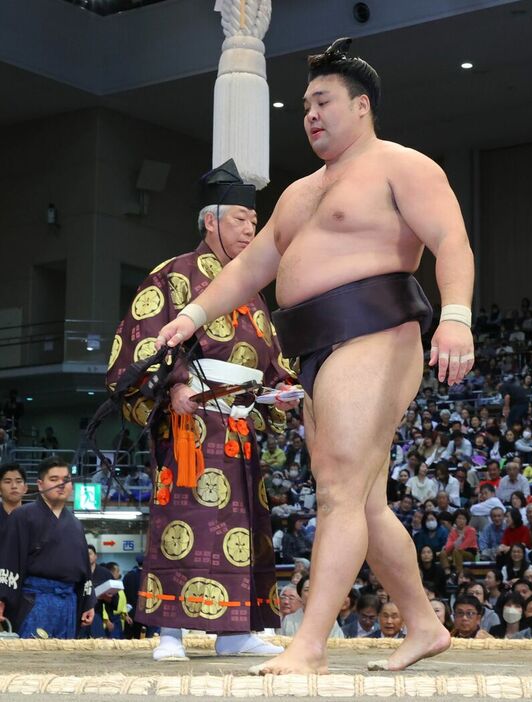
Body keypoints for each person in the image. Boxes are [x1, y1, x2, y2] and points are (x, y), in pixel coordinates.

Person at [157, 38, 474, 674]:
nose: (310, 114)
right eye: (304, 105)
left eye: (323, 101)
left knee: (336, 492)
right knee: (363, 500)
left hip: (375, 328)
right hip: (312, 344)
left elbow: (452, 241)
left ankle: (310, 644)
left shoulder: (402, 166)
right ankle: (422, 623)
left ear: (362, 106)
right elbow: (252, 266)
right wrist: (191, 314)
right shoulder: (300, 192)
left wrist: (458, 318)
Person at [107, 160, 293, 661]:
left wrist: (283, 391)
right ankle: (169, 633)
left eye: (254, 222)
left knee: (243, 524)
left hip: (238, 424)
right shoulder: (172, 277)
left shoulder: (251, 291)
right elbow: (139, 347)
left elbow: (272, 357)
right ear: (210, 220)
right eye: (240, 219)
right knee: (184, 519)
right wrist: (171, 387)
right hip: (190, 423)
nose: (250, 229)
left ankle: (234, 632)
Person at [0, 457, 96, 638]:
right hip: (34, 601)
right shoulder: (22, 516)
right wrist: (2, 598)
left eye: (66, 480)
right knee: (32, 660)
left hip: (69, 602)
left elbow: (84, 569)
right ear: (40, 484)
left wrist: (88, 602)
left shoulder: (76, 524)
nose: (61, 484)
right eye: (54, 479)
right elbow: (9, 560)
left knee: (63, 662)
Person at [0, 463, 27, 530]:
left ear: (25, 488)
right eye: (8, 482)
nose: (14, 486)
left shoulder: (35, 516)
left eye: (18, 481)